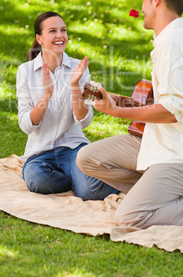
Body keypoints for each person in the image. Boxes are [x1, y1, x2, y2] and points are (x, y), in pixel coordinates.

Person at [77, 0, 183, 227]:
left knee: (129, 217)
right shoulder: (168, 41)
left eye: (143, 1)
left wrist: (117, 111)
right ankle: (152, 194)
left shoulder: (174, 44)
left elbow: (172, 111)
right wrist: (114, 99)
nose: (140, 8)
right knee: (87, 158)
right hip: (161, 142)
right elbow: (170, 104)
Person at [16, 11, 118, 200]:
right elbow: (26, 124)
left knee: (89, 191)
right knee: (37, 181)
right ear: (39, 38)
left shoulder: (80, 67)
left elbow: (84, 121)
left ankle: (85, 181)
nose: (60, 36)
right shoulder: (25, 71)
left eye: (63, 30)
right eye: (52, 31)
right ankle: (76, 180)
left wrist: (74, 86)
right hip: (39, 153)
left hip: (74, 148)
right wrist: (47, 94)